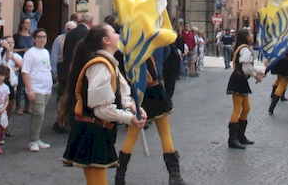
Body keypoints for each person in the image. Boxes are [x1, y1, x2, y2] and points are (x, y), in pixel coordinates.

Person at [59, 24, 146, 185]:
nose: (118, 35)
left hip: (100, 130)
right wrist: (130, 119)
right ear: (105, 40)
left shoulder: (110, 64)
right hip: (92, 130)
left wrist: (132, 107)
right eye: (114, 33)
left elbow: (121, 95)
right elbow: (101, 109)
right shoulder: (100, 65)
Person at [114, 48, 188, 185]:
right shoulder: (144, 47)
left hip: (138, 92)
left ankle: (120, 177)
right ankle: (175, 176)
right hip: (152, 91)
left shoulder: (123, 51)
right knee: (165, 134)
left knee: (132, 136)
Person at [53, 12, 93, 134]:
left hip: (66, 70)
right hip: (77, 71)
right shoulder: (88, 34)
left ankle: (61, 122)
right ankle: (70, 121)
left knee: (65, 98)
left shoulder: (70, 33)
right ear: (91, 22)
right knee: (75, 98)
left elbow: (65, 52)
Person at [226, 28, 265, 149]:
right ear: (245, 37)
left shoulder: (245, 48)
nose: (252, 35)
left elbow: (248, 67)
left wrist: (259, 72)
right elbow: (246, 68)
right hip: (238, 79)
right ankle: (233, 139)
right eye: (250, 34)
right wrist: (256, 76)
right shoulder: (244, 49)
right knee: (237, 108)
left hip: (241, 79)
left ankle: (240, 135)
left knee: (246, 107)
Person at [23, 28, 53, 152]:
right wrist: (30, 90)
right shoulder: (30, 53)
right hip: (36, 88)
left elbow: (47, 70)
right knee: (38, 113)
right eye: (39, 37)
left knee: (41, 114)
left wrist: (50, 88)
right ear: (34, 39)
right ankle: (33, 140)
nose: (42, 39)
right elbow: (25, 72)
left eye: (44, 37)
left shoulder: (46, 52)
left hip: (46, 88)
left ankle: (37, 138)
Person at [13, 17, 35, 114]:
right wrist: (21, 50)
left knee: (28, 83)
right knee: (19, 84)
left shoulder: (31, 37)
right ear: (22, 24)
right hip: (19, 61)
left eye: (30, 23)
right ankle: (18, 105)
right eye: (27, 23)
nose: (29, 25)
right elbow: (11, 49)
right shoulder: (17, 36)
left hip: (29, 62)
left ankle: (27, 105)